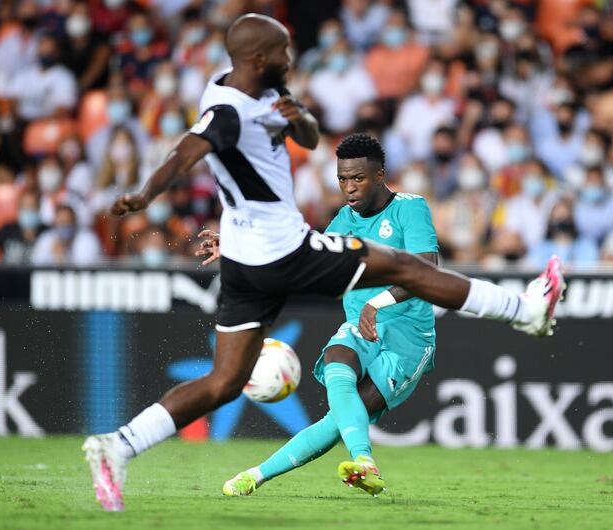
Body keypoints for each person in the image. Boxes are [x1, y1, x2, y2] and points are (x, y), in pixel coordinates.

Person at [81, 14, 565, 513]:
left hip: (252, 259)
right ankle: (525, 311)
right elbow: (186, 151)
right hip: (280, 248)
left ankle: (119, 445)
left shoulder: (257, 91)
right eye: (284, 52)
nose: (291, 60)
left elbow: (308, 140)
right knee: (405, 268)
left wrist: (297, 118)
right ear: (259, 59)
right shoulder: (226, 112)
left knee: (225, 382)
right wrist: (144, 193)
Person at [221, 133, 440, 497]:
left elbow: (427, 270)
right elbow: (299, 259)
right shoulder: (343, 220)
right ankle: (364, 462)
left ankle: (258, 474)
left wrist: (377, 302)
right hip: (359, 328)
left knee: (337, 420)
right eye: (342, 179)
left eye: (358, 178)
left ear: (380, 175)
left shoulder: (410, 208)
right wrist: (233, 248)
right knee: (338, 361)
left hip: (408, 340)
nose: (349, 188)